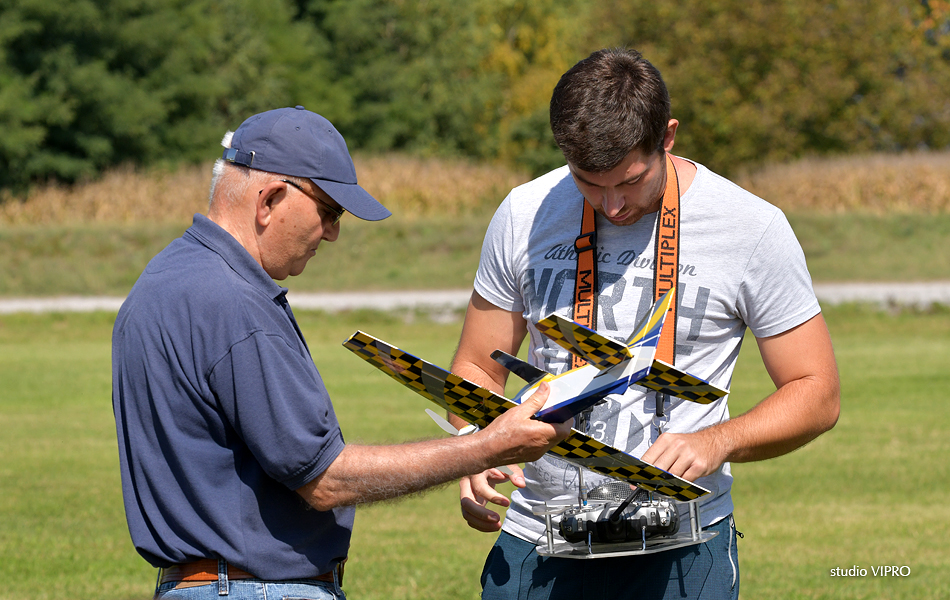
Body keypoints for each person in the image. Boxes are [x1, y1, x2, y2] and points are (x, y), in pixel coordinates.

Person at [111, 106, 573, 600]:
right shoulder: (236, 305)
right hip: (259, 589)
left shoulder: (160, 281)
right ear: (268, 199)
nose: (332, 233)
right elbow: (325, 479)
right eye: (329, 212)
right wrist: (487, 446)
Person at [447, 48, 841, 599]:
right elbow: (476, 366)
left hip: (683, 544)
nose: (612, 206)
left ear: (668, 137)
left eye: (629, 181)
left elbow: (816, 392)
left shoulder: (751, 227)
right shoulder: (523, 211)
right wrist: (471, 443)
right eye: (588, 182)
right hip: (539, 539)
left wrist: (717, 441)